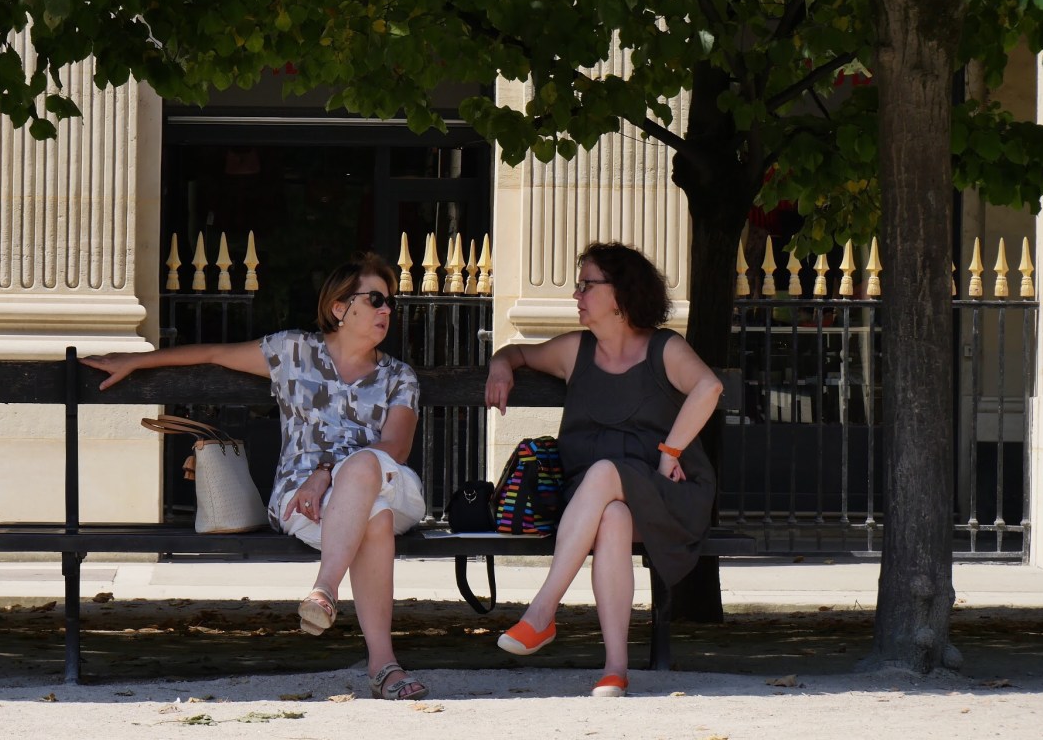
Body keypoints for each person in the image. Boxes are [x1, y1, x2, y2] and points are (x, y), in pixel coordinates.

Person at [82, 253, 429, 701]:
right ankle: (384, 666)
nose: (387, 310)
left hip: (385, 483)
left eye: (390, 303)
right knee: (374, 519)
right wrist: (135, 360)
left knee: (364, 471)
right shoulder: (292, 352)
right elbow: (212, 353)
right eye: (376, 299)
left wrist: (327, 471)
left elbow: (395, 447)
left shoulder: (398, 376)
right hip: (305, 501)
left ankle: (325, 588)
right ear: (340, 307)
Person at [484, 242, 722, 698]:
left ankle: (542, 611)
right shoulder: (575, 350)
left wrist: (670, 451)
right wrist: (499, 366)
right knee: (612, 514)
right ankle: (615, 669)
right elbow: (517, 353)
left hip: (666, 491)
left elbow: (708, 388)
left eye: (586, 285)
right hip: (598, 503)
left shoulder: (664, 348)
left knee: (603, 473)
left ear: (620, 293)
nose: (577, 295)